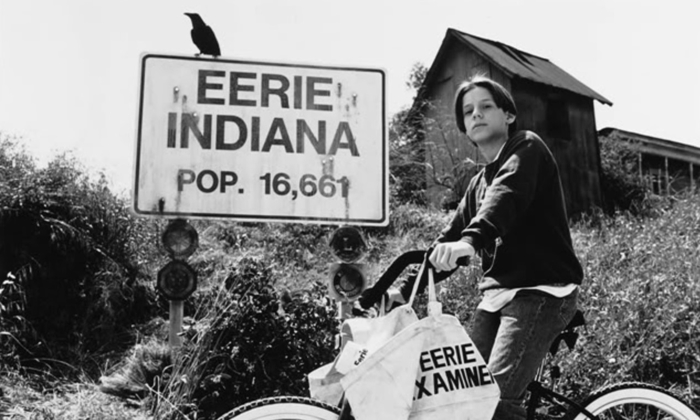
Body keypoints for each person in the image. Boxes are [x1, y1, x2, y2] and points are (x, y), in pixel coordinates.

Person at [371, 75, 583, 420]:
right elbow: (448, 239)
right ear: (464, 127)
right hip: (496, 298)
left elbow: (505, 197)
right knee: (459, 397)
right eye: (468, 112)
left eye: (486, 106)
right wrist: (404, 290)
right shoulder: (477, 184)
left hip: (542, 293)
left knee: (491, 403)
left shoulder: (526, 148)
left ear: (508, 115)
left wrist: (470, 241)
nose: (476, 114)